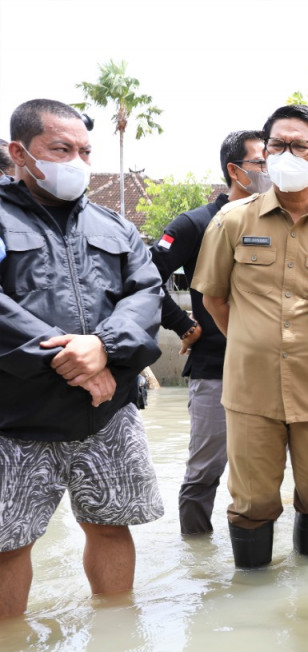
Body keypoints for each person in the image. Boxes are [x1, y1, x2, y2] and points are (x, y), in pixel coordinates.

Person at [0, 99, 164, 617]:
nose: (76, 161)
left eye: (84, 151)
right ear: (19, 153)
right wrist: (67, 356)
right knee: (7, 543)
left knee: (112, 525)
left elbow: (147, 293)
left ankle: (116, 646)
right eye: (61, 149)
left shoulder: (114, 225)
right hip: (17, 415)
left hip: (107, 411)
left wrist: (104, 349)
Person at [192, 105, 308, 568]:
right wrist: (254, 344)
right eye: (277, 145)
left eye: (299, 145)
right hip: (251, 392)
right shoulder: (231, 222)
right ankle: (253, 603)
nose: (286, 153)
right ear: (265, 153)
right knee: (252, 503)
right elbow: (215, 300)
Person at [149, 130, 270, 535]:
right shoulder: (195, 223)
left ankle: (254, 564)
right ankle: (196, 560)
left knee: (262, 476)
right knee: (204, 471)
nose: (272, 170)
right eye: (262, 163)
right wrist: (183, 324)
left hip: (273, 367)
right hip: (215, 367)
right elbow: (145, 279)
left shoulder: (279, 222)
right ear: (235, 170)